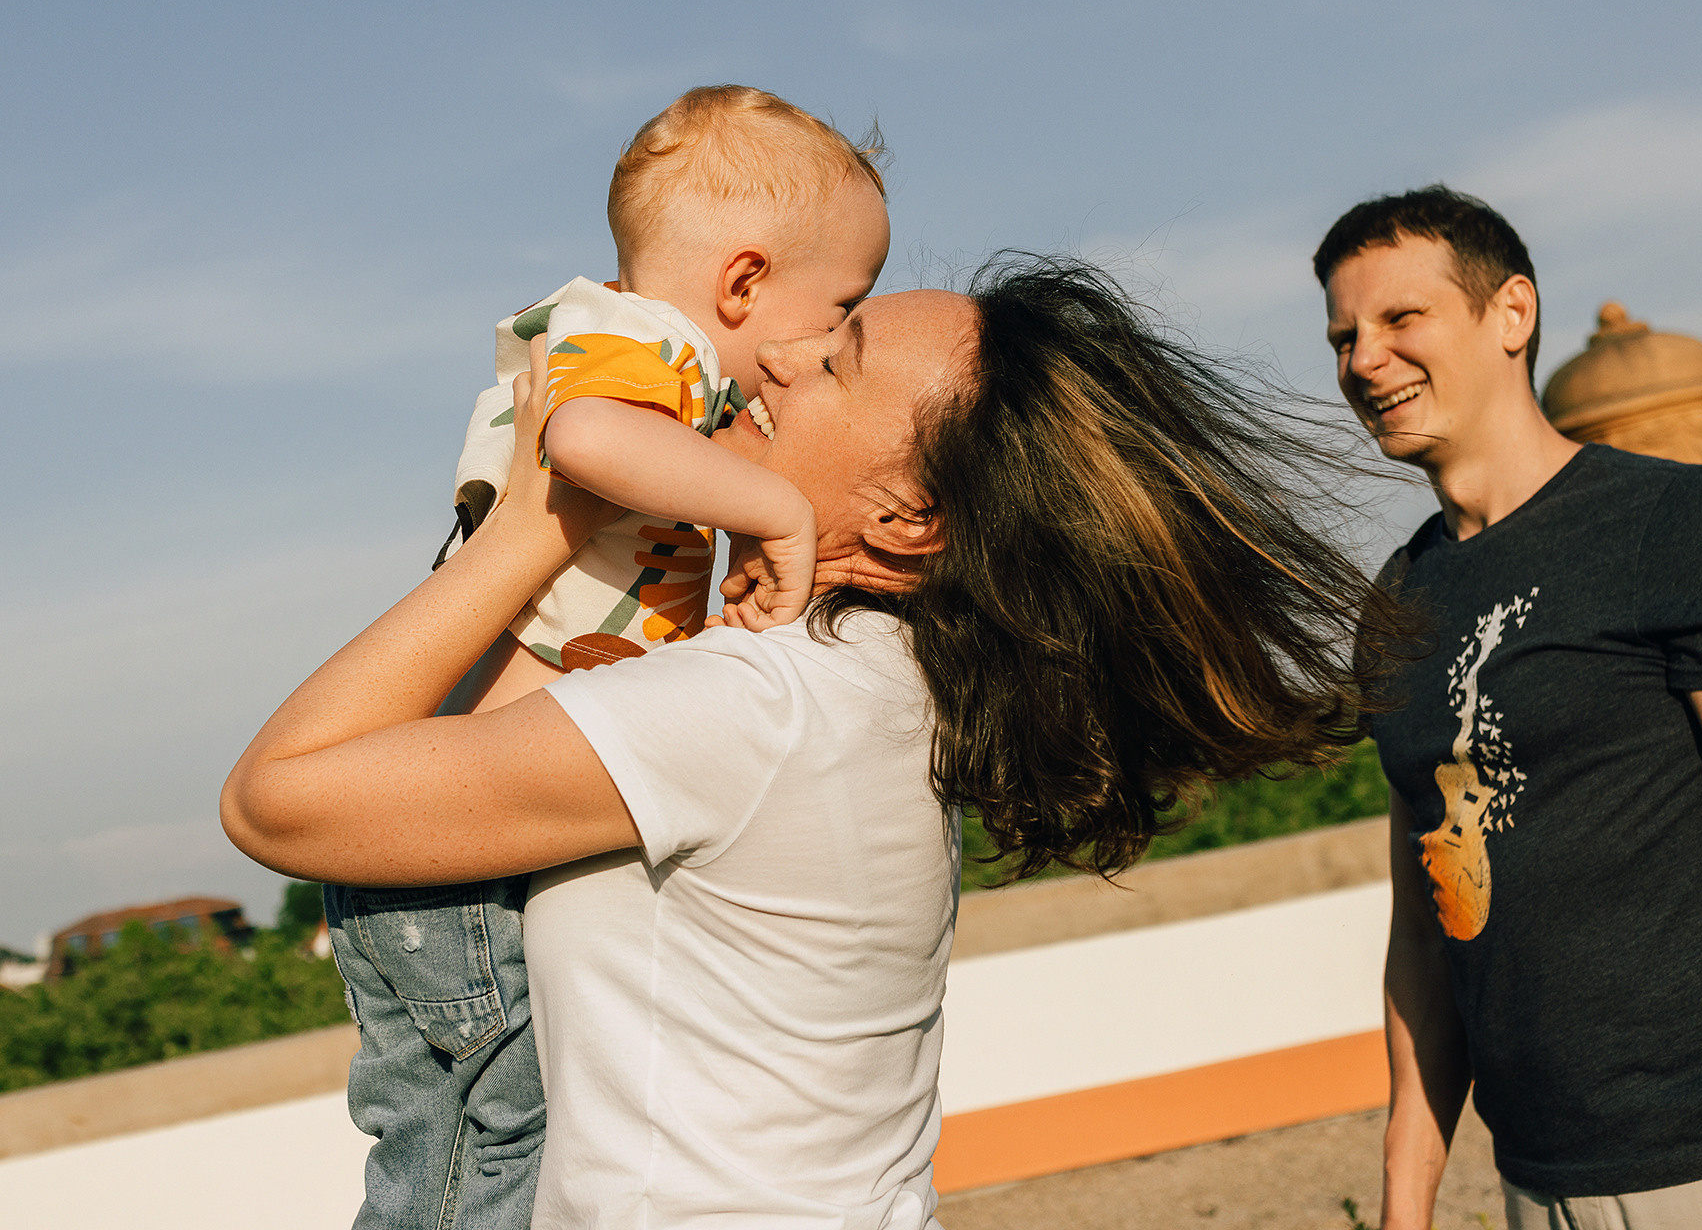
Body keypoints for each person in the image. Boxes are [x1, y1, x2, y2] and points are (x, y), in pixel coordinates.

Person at [224, 256, 1409, 1227]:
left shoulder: (760, 708)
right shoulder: (876, 689)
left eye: (838, 359)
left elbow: (275, 800)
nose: (782, 354)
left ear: (907, 518)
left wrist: (540, 523)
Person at [317, 83, 891, 1230]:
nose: (834, 342)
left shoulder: (636, 360)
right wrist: (776, 513)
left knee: (440, 1149)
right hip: (467, 846)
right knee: (502, 1152)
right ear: (742, 282)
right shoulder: (644, 345)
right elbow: (583, 440)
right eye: (843, 307)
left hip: (437, 821)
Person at [1313, 185, 1702, 1230]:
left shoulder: (1678, 524)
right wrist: (1406, 1195)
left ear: (1511, 313)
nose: (1365, 360)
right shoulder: (1396, 604)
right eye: (1343, 337)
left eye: (1402, 317)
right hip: (1539, 1189)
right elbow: (1426, 927)